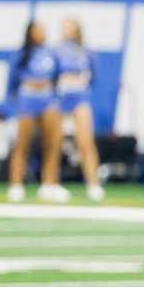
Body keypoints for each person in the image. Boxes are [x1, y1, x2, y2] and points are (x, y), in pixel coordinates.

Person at [7, 20, 67, 203]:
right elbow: (12, 84)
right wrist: (12, 106)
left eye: (43, 29)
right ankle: (16, 185)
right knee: (22, 143)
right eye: (37, 29)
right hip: (27, 98)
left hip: (48, 98)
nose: (42, 32)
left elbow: (57, 77)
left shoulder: (51, 54)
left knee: (52, 142)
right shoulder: (22, 55)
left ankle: (49, 184)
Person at [55, 18, 105, 202]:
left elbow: (93, 77)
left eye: (69, 27)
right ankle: (52, 183)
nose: (66, 31)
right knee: (55, 143)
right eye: (64, 27)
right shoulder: (56, 51)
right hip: (60, 98)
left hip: (80, 97)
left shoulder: (86, 52)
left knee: (85, 141)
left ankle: (93, 183)